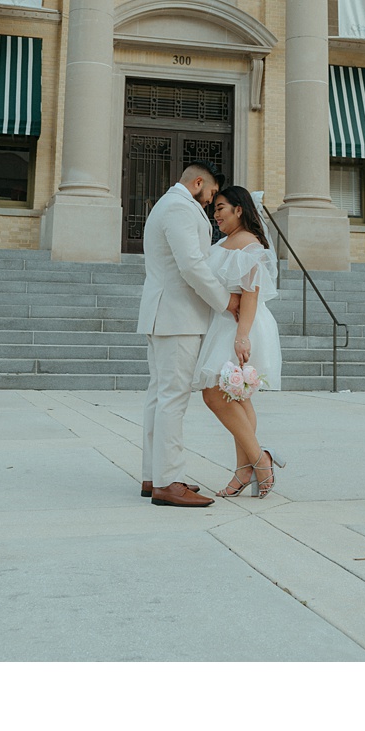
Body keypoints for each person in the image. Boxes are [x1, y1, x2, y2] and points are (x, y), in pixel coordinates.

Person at [138, 162, 241, 508]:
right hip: (176, 318)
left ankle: (154, 475)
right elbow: (191, 265)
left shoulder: (167, 205)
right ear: (197, 183)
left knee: (160, 396)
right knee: (173, 398)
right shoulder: (180, 207)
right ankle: (169, 483)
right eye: (211, 193)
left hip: (165, 315)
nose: (211, 202)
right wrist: (227, 302)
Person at [192, 187, 285, 499]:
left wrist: (242, 336)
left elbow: (251, 293)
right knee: (238, 398)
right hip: (222, 323)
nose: (216, 214)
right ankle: (245, 468)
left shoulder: (250, 244)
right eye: (215, 209)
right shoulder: (222, 243)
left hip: (242, 325)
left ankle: (260, 461)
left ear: (239, 210)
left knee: (216, 395)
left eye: (221, 208)